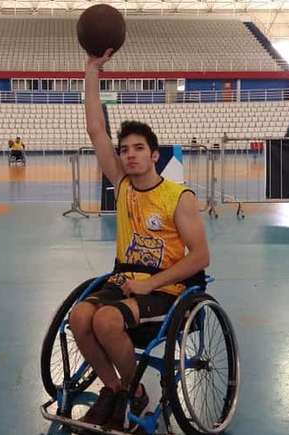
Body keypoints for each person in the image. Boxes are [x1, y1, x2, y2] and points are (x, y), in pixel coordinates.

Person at [71, 48, 210, 431]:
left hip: (169, 286)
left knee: (107, 322)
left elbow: (200, 257)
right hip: (125, 278)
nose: (129, 156)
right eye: (124, 150)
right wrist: (92, 71)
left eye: (138, 149)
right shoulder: (122, 186)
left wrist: (151, 282)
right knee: (80, 316)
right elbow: (95, 129)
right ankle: (116, 389)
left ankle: (133, 393)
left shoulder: (178, 197)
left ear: (154, 155)